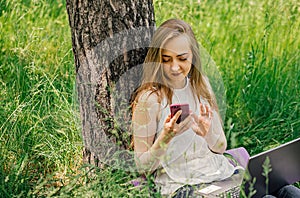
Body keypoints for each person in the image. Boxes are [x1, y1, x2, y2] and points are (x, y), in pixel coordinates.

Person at [131, 18, 239, 197]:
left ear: (193, 57)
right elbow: (142, 166)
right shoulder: (150, 99)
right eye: (166, 60)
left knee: (283, 189)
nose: (174, 67)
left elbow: (220, 146)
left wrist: (208, 132)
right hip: (180, 184)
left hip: (217, 173)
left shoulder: (201, 85)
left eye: (182, 59)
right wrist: (166, 137)